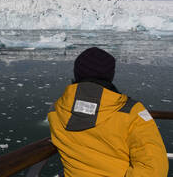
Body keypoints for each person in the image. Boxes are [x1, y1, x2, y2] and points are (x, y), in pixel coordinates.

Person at [47, 47, 169, 177]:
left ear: (77, 73)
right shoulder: (132, 112)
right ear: (110, 75)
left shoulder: (56, 111)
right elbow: (154, 170)